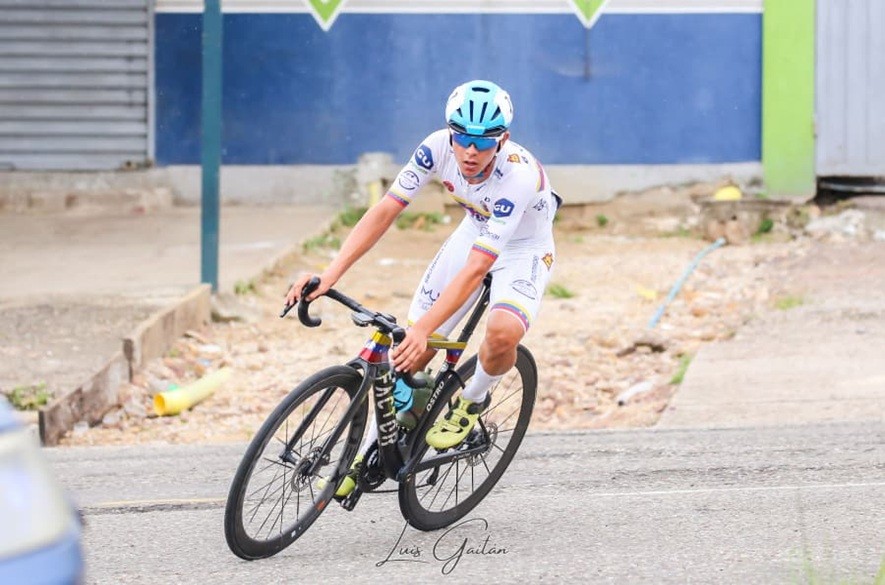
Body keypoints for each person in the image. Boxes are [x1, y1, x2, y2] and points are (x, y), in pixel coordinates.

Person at [286, 79, 559, 497]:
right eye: (462, 138)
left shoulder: (518, 175)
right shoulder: (435, 147)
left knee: (502, 331)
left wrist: (421, 328)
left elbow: (476, 269)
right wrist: (331, 274)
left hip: (523, 248)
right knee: (412, 356)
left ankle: (472, 400)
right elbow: (385, 211)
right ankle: (368, 455)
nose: (470, 151)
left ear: (502, 139)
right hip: (477, 229)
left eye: (482, 142)